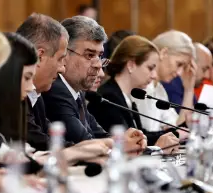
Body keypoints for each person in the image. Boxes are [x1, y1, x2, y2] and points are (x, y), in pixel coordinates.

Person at [16, 13, 113, 163]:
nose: (62, 68)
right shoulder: (47, 91)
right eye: (61, 59)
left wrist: (110, 144)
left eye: (99, 56)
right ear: (39, 56)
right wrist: (106, 146)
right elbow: (39, 147)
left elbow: (51, 143)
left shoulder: (39, 94)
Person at [42, 16, 146, 153]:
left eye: (100, 56)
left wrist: (129, 141)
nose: (98, 65)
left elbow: (99, 134)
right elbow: (85, 142)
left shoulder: (77, 91)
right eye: (90, 55)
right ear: (65, 54)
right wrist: (121, 144)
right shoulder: (56, 90)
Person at [87, 35, 179, 150]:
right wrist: (158, 147)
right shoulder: (108, 98)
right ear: (131, 65)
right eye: (150, 68)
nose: (155, 75)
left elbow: (141, 135)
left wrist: (173, 134)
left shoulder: (125, 96)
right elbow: (129, 144)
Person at [154, 31, 196, 116]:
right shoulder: (141, 88)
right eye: (179, 64)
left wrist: (188, 90)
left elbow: (180, 127)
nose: (180, 73)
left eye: (184, 67)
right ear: (163, 53)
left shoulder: (159, 90)